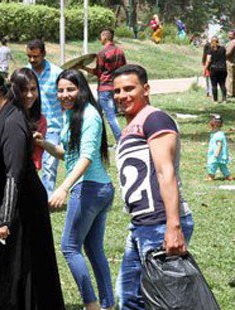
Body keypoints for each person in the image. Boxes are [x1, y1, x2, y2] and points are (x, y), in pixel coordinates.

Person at [0, 71, 64, 309]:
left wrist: (4, 220)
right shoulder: (2, 116)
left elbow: (14, 173)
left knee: (18, 269)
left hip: (19, 209)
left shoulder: (13, 121)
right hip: (6, 206)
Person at [112, 64, 194, 309]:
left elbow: (164, 171)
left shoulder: (155, 119)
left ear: (145, 89)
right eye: (117, 91)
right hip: (140, 225)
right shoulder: (130, 127)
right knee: (130, 297)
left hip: (160, 224)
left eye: (129, 88)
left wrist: (173, 226)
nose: (122, 95)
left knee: (162, 301)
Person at [35, 69, 115, 310]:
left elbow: (87, 157)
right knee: (93, 248)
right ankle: (108, 305)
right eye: (60, 90)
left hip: (89, 190)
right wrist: (43, 143)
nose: (64, 94)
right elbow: (67, 153)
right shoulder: (73, 113)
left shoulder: (90, 115)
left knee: (70, 247)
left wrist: (64, 187)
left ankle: (91, 305)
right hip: (99, 189)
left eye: (70, 89)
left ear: (81, 89)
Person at [26, 39, 63, 197]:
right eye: (29, 56)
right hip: (31, 126)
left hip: (52, 128)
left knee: (49, 165)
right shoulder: (25, 73)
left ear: (44, 54)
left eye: (36, 56)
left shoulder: (56, 73)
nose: (32, 60)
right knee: (29, 164)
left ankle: (46, 198)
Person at [82, 28, 125, 142]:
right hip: (115, 87)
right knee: (97, 114)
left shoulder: (102, 53)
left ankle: (120, 141)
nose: (100, 39)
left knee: (110, 117)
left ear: (105, 37)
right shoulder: (120, 52)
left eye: (101, 37)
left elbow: (98, 72)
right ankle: (97, 140)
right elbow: (124, 69)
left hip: (104, 88)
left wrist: (83, 67)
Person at [10, 67, 47, 171]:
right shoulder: (3, 116)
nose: (30, 95)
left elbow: (36, 159)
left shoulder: (40, 120)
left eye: (33, 89)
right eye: (24, 90)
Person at [205, 114, 232, 181]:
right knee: (222, 166)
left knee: (212, 165)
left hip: (216, 155)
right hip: (219, 155)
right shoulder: (215, 134)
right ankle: (228, 176)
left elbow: (220, 145)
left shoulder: (219, 135)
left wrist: (216, 154)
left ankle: (211, 176)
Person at [205, 36, 228, 102]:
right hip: (223, 69)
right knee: (222, 84)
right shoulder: (223, 48)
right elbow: (225, 57)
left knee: (214, 85)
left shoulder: (210, 50)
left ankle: (215, 100)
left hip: (214, 69)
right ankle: (224, 100)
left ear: (211, 42)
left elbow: (208, 60)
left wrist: (206, 68)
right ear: (218, 41)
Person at [225, 30, 235, 97]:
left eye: (230, 34)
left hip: (230, 62)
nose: (229, 35)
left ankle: (229, 93)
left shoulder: (233, 42)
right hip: (231, 61)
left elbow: (228, 52)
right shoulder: (231, 42)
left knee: (230, 78)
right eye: (228, 34)